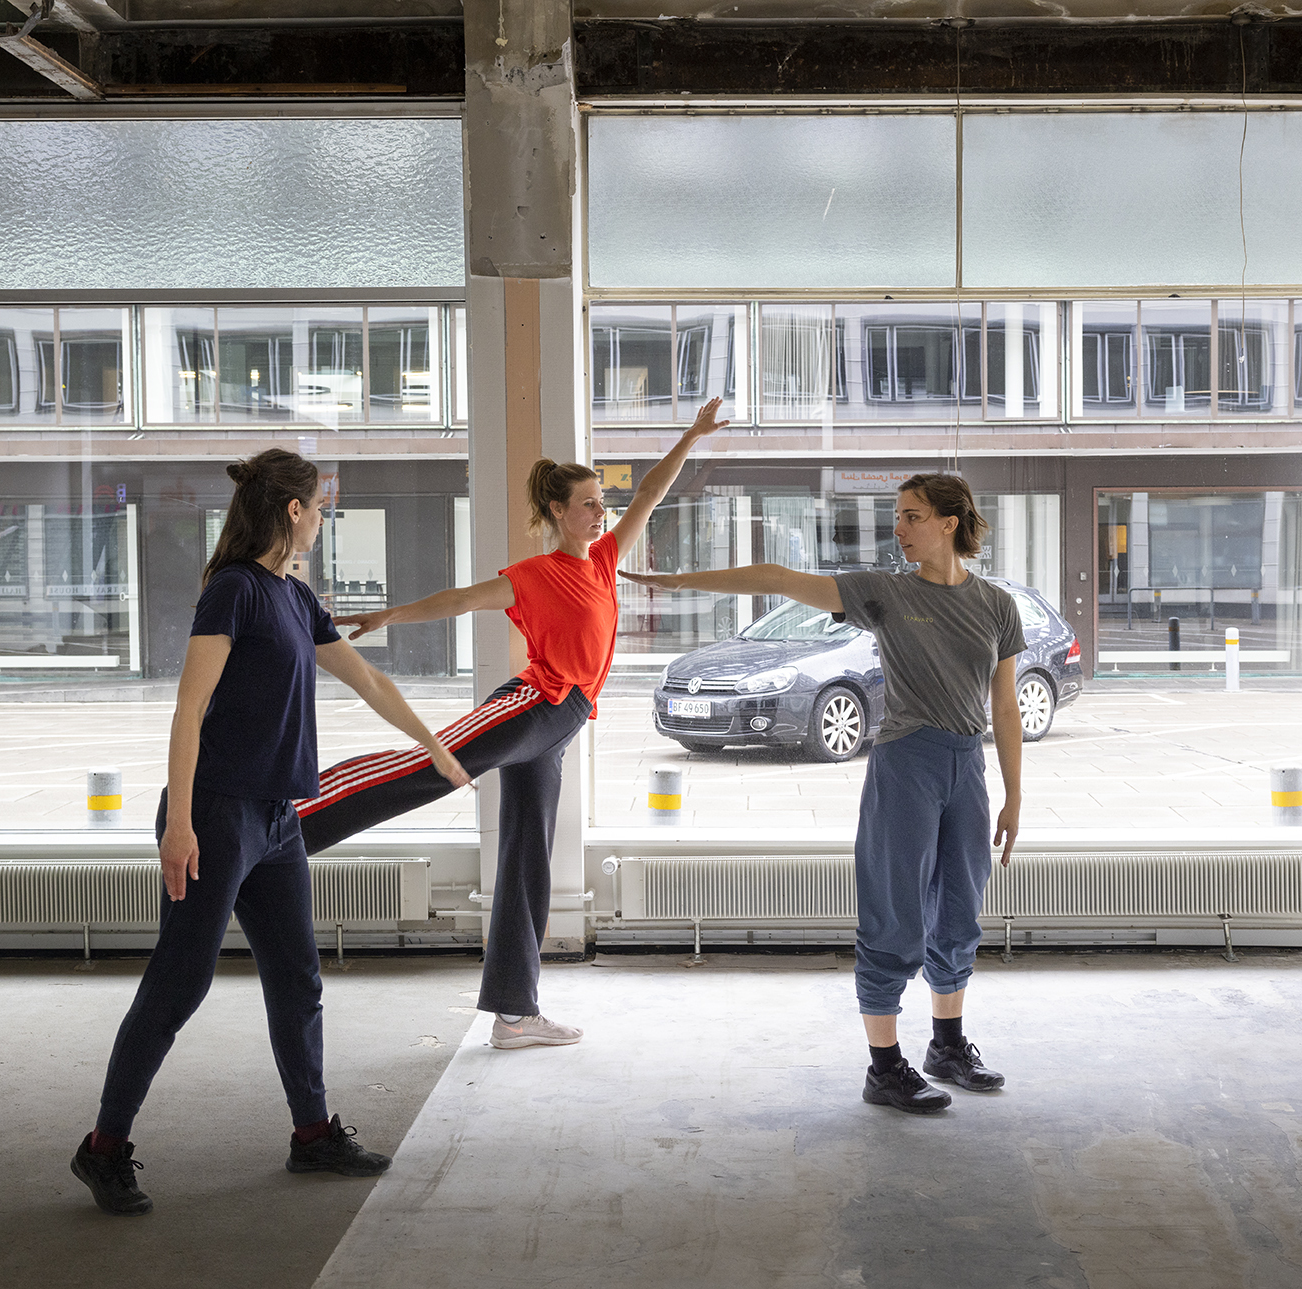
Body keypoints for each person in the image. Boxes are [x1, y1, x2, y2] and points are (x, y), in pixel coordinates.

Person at [70, 448, 471, 1217]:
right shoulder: (234, 591)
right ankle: (103, 1147)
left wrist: (435, 744)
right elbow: (188, 710)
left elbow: (368, 678)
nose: (324, 517)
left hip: (278, 821)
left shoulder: (294, 595)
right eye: (320, 505)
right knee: (178, 983)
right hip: (216, 815)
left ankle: (312, 1132)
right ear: (293, 508)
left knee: (298, 978)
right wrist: (179, 823)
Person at [299, 399, 729, 1049]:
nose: (599, 510)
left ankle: (513, 1011)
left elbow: (648, 490)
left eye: (599, 501)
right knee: (431, 764)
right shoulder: (537, 574)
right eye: (587, 501)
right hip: (531, 705)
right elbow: (463, 599)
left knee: (528, 856)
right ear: (558, 510)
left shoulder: (605, 559)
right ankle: (285, 824)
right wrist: (388, 618)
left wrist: (690, 437)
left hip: (562, 721)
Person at [622, 473, 1024, 1114]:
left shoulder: (997, 606)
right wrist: (676, 584)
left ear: (951, 522)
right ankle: (884, 1068)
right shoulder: (885, 593)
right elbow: (779, 578)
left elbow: (1005, 705)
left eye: (912, 516)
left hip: (966, 768)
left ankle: (946, 1045)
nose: (899, 527)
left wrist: (1014, 793)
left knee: (960, 911)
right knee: (895, 914)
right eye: (898, 515)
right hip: (906, 764)